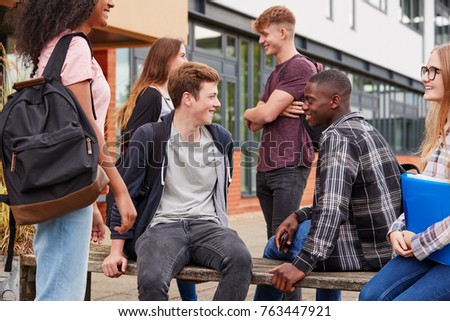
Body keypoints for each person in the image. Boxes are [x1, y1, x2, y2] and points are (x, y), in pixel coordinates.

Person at [8, 0, 137, 300]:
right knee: (62, 296)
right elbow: (87, 125)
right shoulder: (75, 45)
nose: (112, 2)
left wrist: (90, 203)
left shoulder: (55, 44)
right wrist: (120, 190)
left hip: (59, 186)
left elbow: (65, 135)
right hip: (66, 190)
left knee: (55, 286)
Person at [102, 62, 253, 301]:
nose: (218, 103)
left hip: (208, 227)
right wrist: (116, 251)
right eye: (212, 96)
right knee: (151, 279)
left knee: (241, 260)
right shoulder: (150, 136)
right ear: (188, 98)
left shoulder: (221, 138)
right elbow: (126, 195)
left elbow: (222, 190)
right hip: (161, 228)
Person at [254, 69, 402, 301]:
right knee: (310, 230)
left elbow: (332, 210)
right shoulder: (367, 129)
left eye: (310, 100)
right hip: (385, 245)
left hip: (363, 252)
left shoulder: (337, 137)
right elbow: (345, 199)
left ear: (334, 101)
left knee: (275, 245)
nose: (304, 106)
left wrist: (301, 264)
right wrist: (299, 215)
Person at [359, 44, 450, 301]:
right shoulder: (441, 129)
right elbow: (425, 195)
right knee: (369, 297)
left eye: (434, 71)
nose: (424, 77)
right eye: (426, 69)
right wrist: (397, 230)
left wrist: (419, 241)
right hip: (433, 246)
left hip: (434, 246)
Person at [243, 5, 318, 301]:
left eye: (265, 34)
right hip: (268, 166)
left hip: (288, 165)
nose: (261, 41)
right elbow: (251, 122)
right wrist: (265, 112)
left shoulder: (299, 67)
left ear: (282, 32)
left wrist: (268, 112)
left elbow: (262, 115)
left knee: (283, 245)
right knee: (276, 246)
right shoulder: (276, 72)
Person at [115, 36, 196, 301]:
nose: (186, 59)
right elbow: (132, 138)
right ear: (167, 60)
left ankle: (191, 302)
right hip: (153, 190)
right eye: (182, 55)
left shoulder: (166, 95)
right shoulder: (152, 95)